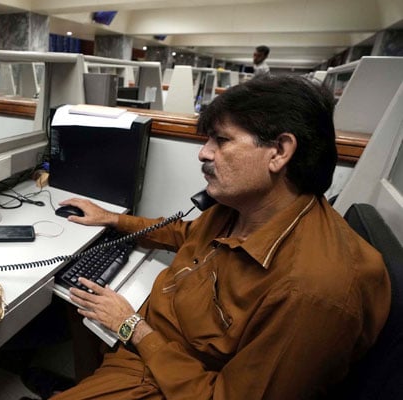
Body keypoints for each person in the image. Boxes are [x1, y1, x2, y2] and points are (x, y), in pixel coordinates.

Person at [52, 75, 390, 399]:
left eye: (222, 140)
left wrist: (133, 328)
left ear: (280, 151)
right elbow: (186, 233)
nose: (204, 153)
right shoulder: (243, 208)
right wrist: (112, 218)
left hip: (163, 377)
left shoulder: (310, 292)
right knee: (75, 302)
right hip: (152, 338)